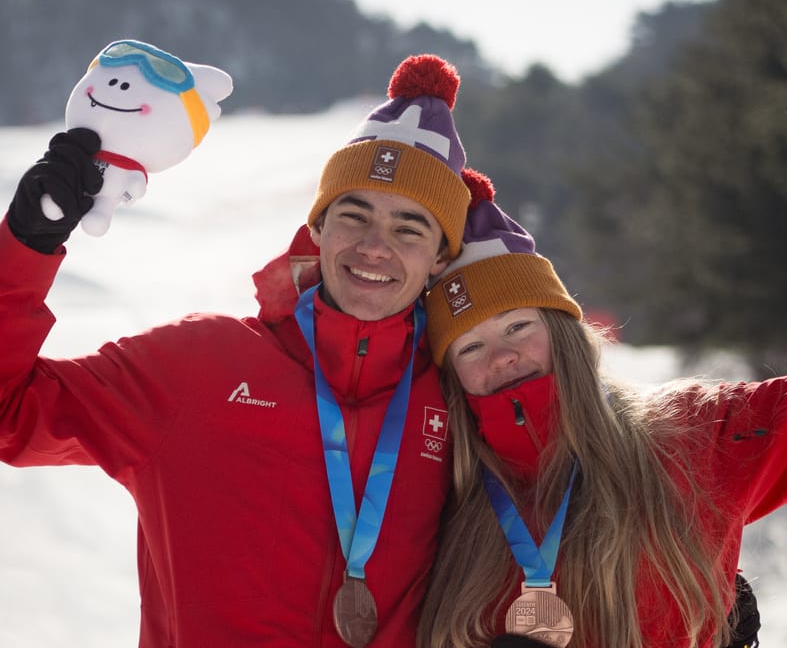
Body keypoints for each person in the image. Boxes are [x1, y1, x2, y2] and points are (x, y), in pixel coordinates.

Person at [416, 82, 787, 648]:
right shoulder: (442, 495)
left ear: (563, 332)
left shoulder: (694, 437)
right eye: (470, 347)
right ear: (450, 373)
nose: (502, 357)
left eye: (517, 327)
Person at [0, 54, 473, 647]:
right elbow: (9, 418)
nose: (375, 247)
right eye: (354, 216)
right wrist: (25, 245)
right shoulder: (197, 362)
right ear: (317, 230)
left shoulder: (462, 397)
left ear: (440, 258)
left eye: (410, 228)